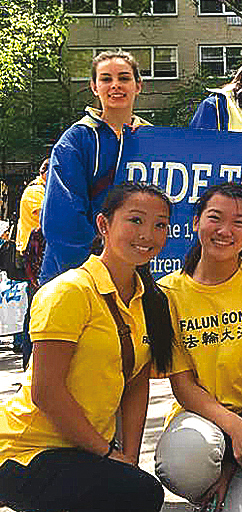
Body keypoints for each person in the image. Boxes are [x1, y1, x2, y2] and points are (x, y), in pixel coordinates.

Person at [0, 182, 174, 512]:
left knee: (132, 487)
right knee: (140, 494)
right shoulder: (69, 292)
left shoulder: (149, 301)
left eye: (160, 225)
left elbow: (136, 383)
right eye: (135, 220)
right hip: (26, 450)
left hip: (84, 450)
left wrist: (128, 460)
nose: (147, 234)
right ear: (104, 225)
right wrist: (108, 455)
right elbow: (46, 392)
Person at [154, 183, 242, 512]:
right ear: (196, 222)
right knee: (185, 465)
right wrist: (235, 431)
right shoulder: (167, 293)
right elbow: (183, 385)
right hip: (201, 419)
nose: (225, 231)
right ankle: (212, 490)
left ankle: (232, 489)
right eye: (215, 218)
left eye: (239, 222)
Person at [40, 50, 151, 285]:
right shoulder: (77, 140)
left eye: (124, 78)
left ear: (138, 85)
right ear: (94, 87)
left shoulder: (153, 139)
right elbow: (62, 216)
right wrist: (94, 271)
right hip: (80, 274)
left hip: (138, 273)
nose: (115, 86)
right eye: (106, 79)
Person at [14, 157, 48, 370]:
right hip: (33, 259)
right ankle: (30, 363)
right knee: (36, 308)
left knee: (37, 307)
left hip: (40, 257)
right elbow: (49, 215)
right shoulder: (35, 192)